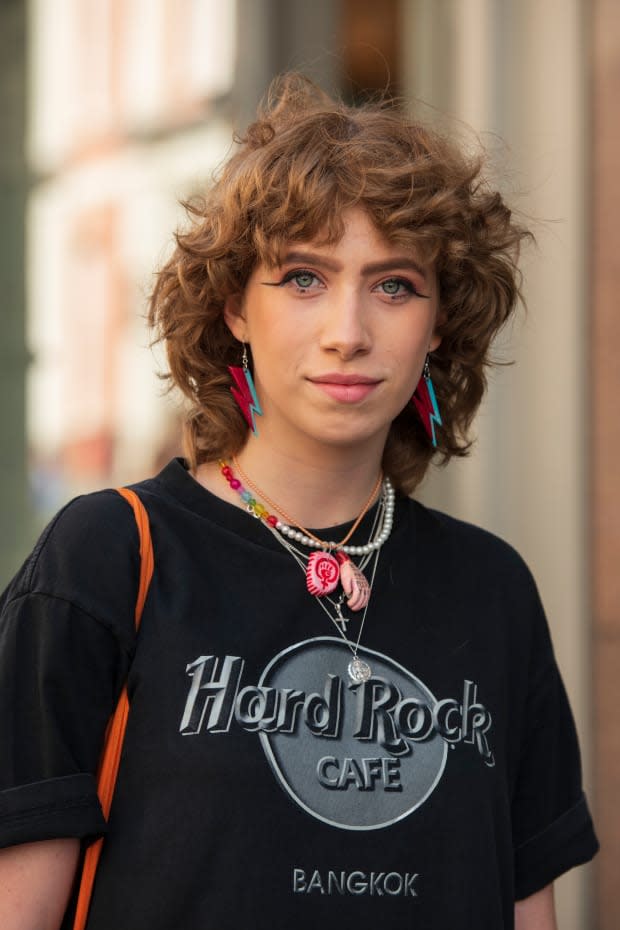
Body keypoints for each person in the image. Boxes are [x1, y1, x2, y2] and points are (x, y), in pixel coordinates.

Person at [0, 74, 598, 930]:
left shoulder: (492, 590)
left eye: (394, 285)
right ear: (236, 305)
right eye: (304, 278)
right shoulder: (109, 557)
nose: (347, 330)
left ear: (437, 324)